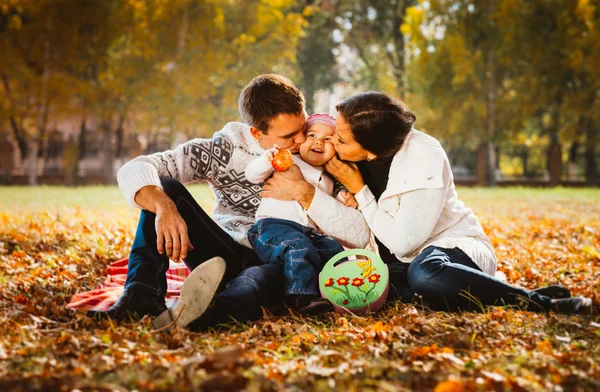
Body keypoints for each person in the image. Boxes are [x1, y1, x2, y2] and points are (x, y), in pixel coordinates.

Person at [264, 91, 592, 315]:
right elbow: (358, 229)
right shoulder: (347, 155)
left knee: (426, 274)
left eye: (341, 138)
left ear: (371, 151)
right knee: (364, 281)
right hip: (397, 264)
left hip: (450, 249)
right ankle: (486, 290)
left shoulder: (424, 155)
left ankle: (537, 302)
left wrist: (359, 190)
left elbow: (404, 240)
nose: (332, 141)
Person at [87, 74, 370, 329]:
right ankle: (142, 294)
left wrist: (306, 194)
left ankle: (210, 311)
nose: (300, 140)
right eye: (288, 136)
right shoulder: (225, 149)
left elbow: (359, 232)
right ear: (257, 133)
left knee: (257, 282)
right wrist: (164, 206)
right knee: (162, 188)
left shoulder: (322, 154)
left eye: (302, 127)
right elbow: (135, 168)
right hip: (225, 246)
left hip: (282, 254)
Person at [245, 113, 357, 312]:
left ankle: (339, 293)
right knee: (298, 247)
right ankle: (301, 298)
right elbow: (252, 175)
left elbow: (327, 205)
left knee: (334, 251)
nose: (319, 142)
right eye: (312, 135)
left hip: (309, 233)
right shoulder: (288, 161)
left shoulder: (330, 178)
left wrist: (345, 199)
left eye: (328, 139)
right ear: (302, 140)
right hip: (273, 226)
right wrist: (267, 159)